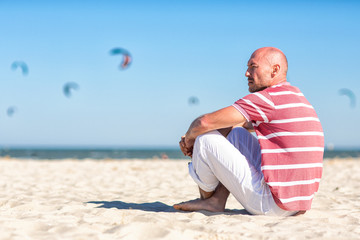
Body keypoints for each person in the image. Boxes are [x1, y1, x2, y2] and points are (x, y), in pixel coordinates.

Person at [173, 47, 324, 216]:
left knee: (204, 139)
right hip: (297, 205)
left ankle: (208, 201)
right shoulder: (295, 96)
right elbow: (241, 124)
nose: (246, 73)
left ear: (275, 70)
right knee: (236, 134)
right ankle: (217, 200)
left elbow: (204, 122)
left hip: (273, 205)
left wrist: (190, 140)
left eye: (253, 66)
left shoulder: (268, 98)